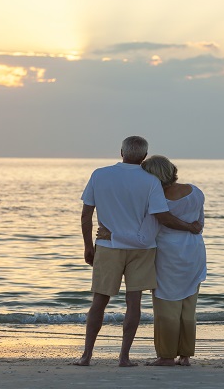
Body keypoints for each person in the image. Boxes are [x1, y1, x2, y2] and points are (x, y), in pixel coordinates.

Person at [74, 136, 202, 367]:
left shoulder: (99, 174)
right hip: (143, 250)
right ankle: (124, 357)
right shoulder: (151, 181)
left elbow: (86, 215)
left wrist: (87, 246)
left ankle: (86, 356)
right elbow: (160, 216)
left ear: (121, 151)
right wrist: (190, 227)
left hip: (108, 247)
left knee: (99, 302)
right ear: (144, 156)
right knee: (134, 304)